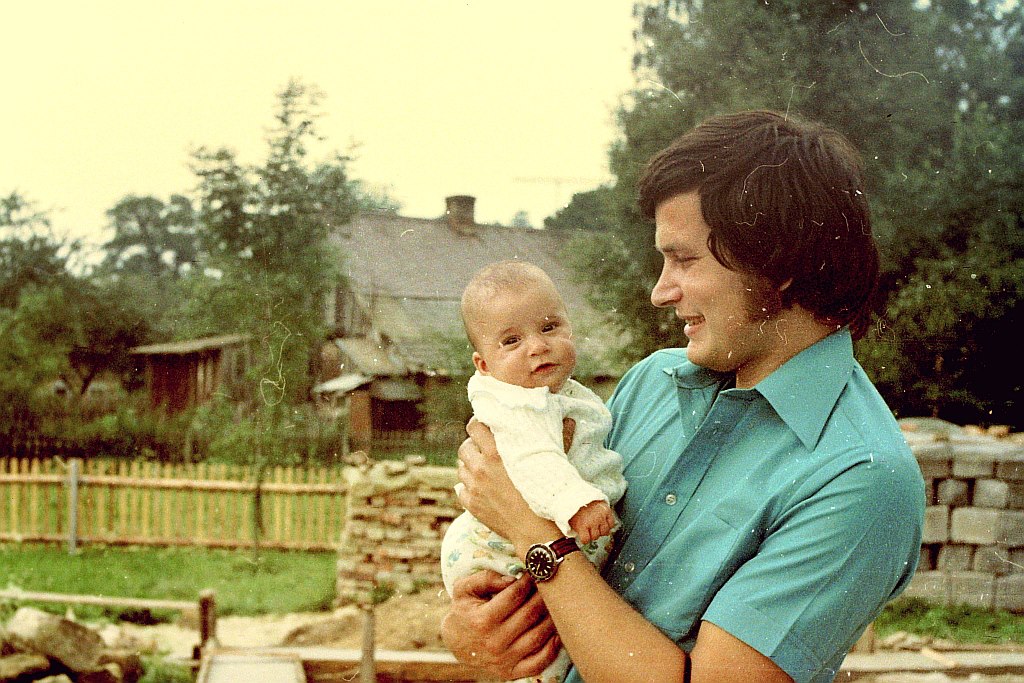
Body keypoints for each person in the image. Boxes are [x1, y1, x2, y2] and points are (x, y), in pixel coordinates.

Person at [441, 110, 925, 683]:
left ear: (779, 262)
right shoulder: (652, 382)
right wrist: (467, 631)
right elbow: (540, 582)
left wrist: (534, 537)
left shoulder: (862, 478)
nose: (659, 291)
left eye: (684, 259)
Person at [441, 260, 628, 683]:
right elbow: (534, 460)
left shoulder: (557, 393)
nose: (538, 346)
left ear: (570, 328)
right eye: (512, 340)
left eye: (549, 327)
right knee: (541, 649)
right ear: (483, 365)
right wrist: (579, 503)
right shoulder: (519, 406)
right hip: (500, 552)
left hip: (526, 542)